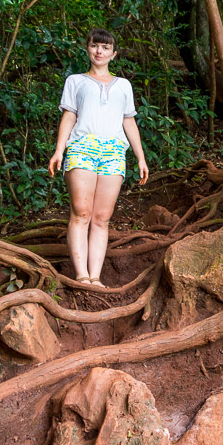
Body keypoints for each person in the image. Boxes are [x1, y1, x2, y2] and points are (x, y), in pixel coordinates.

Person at [48, 29, 148, 287]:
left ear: (113, 54)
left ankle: (96, 277)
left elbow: (129, 121)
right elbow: (69, 116)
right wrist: (59, 150)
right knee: (81, 212)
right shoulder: (75, 81)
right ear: (88, 49)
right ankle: (81, 275)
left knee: (102, 217)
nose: (99, 51)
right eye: (95, 46)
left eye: (105, 48)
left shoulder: (123, 85)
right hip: (82, 147)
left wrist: (140, 158)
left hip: (114, 151)